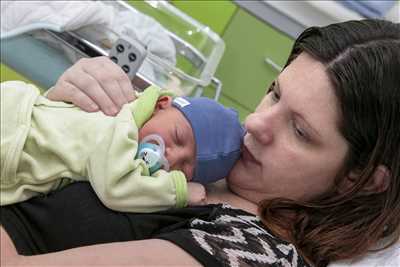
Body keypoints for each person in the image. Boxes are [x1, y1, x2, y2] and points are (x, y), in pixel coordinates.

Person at [1, 19, 399, 267]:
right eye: (275, 93)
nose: (257, 122)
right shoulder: (205, 148)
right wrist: (60, 113)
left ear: (359, 178)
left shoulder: (253, 253)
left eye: (300, 131)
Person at [1, 82, 244, 211]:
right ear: (162, 104)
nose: (172, 155)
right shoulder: (124, 124)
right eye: (178, 137)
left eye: (184, 166)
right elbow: (115, 187)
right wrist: (176, 190)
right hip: (14, 131)